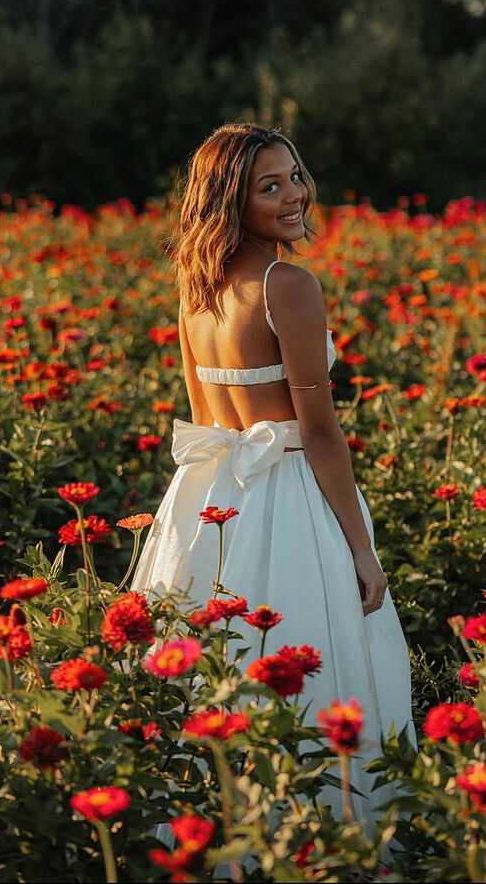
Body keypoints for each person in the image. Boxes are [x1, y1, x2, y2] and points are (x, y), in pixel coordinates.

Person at [133, 122, 415, 820]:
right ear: (231, 201)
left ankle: (219, 826)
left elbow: (202, 417)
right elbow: (318, 431)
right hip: (291, 496)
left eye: (294, 176)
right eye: (270, 186)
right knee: (313, 666)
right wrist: (361, 548)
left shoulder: (196, 284)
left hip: (211, 496)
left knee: (214, 672)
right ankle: (324, 831)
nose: (295, 195)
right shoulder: (286, 283)